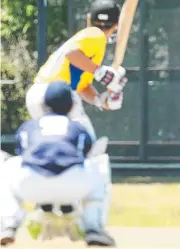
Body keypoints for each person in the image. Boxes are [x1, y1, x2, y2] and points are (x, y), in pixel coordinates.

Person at [0, 81, 115, 247]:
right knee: (100, 162)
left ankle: (9, 223)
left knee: (8, 164)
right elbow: (86, 154)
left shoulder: (30, 126)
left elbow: (23, 153)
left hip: (31, 186)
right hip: (73, 186)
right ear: (71, 106)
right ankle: (93, 226)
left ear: (43, 104)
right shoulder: (77, 128)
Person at [26, 0, 127, 140]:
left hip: (37, 95)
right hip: (57, 95)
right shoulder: (95, 35)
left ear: (89, 18)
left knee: (55, 146)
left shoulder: (88, 39)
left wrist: (100, 100)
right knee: (87, 143)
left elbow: (82, 86)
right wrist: (100, 72)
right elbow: (71, 54)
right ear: (117, 25)